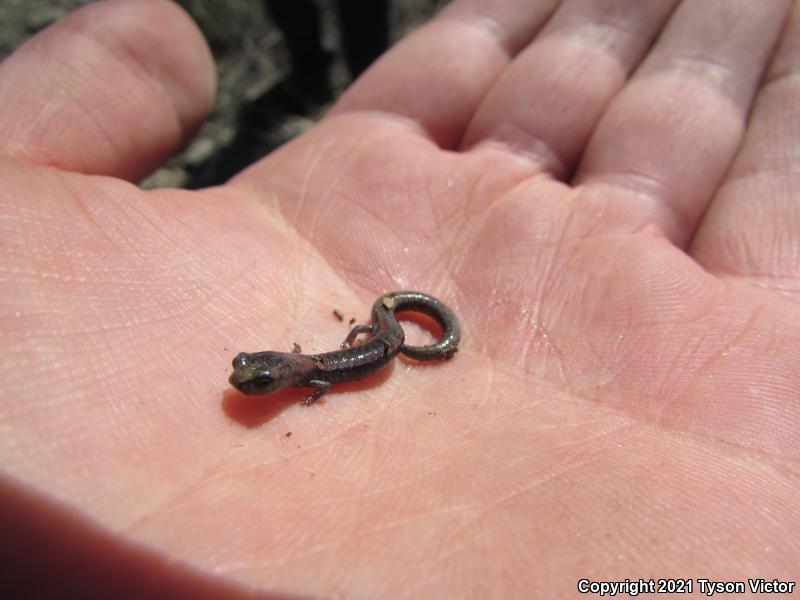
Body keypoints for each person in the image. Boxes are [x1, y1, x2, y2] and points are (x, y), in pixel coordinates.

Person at [0, 0, 797, 597]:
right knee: (373, 330)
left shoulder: (318, 372)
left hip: (378, 348)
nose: (255, 380)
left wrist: (389, 348)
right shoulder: (309, 367)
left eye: (260, 377)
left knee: (377, 336)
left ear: (286, 377)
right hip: (378, 341)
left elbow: (323, 375)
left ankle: (411, 328)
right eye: (257, 376)